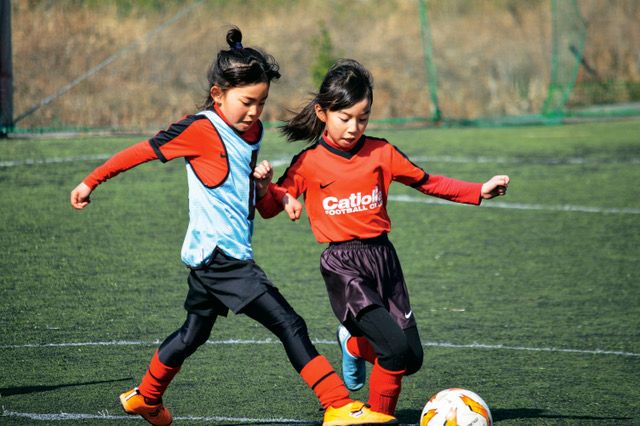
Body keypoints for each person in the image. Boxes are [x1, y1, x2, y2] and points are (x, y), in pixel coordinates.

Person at [70, 31, 397, 426]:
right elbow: (139, 152)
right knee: (288, 322)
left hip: (215, 256)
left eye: (261, 102)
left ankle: (146, 397)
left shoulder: (252, 132)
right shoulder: (199, 130)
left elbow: (256, 204)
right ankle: (337, 405)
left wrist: (268, 190)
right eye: (247, 102)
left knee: (194, 332)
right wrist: (91, 182)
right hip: (222, 258)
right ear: (218, 93)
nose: (254, 112)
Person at [254, 58, 510, 417]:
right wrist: (266, 189)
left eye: (363, 117)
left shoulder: (381, 152)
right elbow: (270, 208)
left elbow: (427, 181)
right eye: (345, 118)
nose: (354, 127)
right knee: (393, 350)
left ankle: (354, 346)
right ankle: (378, 416)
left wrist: (478, 190)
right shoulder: (309, 162)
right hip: (344, 267)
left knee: (411, 358)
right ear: (323, 112)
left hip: (384, 261)